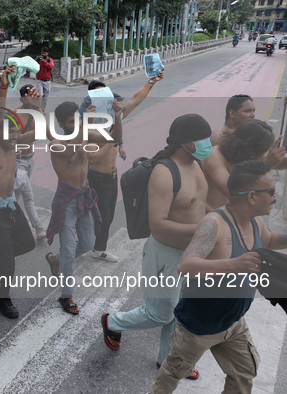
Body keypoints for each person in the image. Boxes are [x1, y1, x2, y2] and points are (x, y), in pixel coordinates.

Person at [149, 160, 287, 393]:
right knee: (173, 374)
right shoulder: (213, 224)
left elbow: (269, 239)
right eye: (271, 191)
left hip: (233, 324)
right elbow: (185, 266)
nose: (275, 196)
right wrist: (234, 264)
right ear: (252, 197)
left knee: (244, 372)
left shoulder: (256, 221)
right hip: (198, 327)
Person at [101, 114, 213, 381]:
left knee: (180, 311)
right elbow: (158, 225)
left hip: (192, 253)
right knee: (160, 313)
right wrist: (202, 229)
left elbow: (199, 204)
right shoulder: (165, 172)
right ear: (185, 142)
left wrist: (217, 219)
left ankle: (168, 359)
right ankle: (111, 322)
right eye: (202, 138)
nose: (207, 143)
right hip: (165, 254)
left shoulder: (196, 162)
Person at [45, 100, 123, 314]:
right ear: (61, 124)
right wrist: (85, 124)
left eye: (77, 119)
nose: (77, 123)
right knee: (70, 251)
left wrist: (117, 116)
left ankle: (55, 259)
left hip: (85, 197)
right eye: (72, 121)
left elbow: (115, 138)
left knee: (88, 244)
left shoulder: (85, 133)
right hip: (67, 201)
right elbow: (69, 153)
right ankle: (66, 295)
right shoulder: (56, 142)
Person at [84, 74, 164, 262]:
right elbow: (93, 159)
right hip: (96, 177)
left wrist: (151, 82)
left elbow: (136, 100)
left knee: (107, 216)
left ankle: (95, 245)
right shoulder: (89, 124)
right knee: (100, 216)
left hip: (112, 176)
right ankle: (95, 247)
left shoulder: (112, 118)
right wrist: (114, 139)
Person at [0, 67, 37, 318]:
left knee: (27, 243)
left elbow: (40, 129)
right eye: (9, 132)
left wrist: (35, 106)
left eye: (16, 132)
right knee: (8, 262)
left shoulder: (14, 146)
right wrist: (2, 86)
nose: (14, 136)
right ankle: (2, 300)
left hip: (11, 206)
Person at [204, 119, 277, 209]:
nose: (262, 156)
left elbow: (278, 162)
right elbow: (230, 190)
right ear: (248, 147)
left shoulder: (250, 154)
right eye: (261, 152)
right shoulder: (214, 155)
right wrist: (266, 165)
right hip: (213, 215)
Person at [11, 85, 46, 240]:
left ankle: (7, 219)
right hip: (17, 162)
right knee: (28, 196)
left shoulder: (36, 112)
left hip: (29, 159)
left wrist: (37, 107)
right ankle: (38, 226)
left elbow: (44, 131)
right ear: (21, 98)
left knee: (16, 195)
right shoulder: (14, 114)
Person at [35, 47, 53, 112]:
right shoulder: (39, 59)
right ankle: (37, 108)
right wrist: (36, 60)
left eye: (44, 53)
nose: (43, 54)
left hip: (47, 81)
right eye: (42, 53)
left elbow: (51, 66)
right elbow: (34, 66)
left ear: (47, 53)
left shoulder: (49, 60)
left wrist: (44, 62)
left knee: (45, 97)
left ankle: (42, 109)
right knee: (40, 94)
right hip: (39, 80)